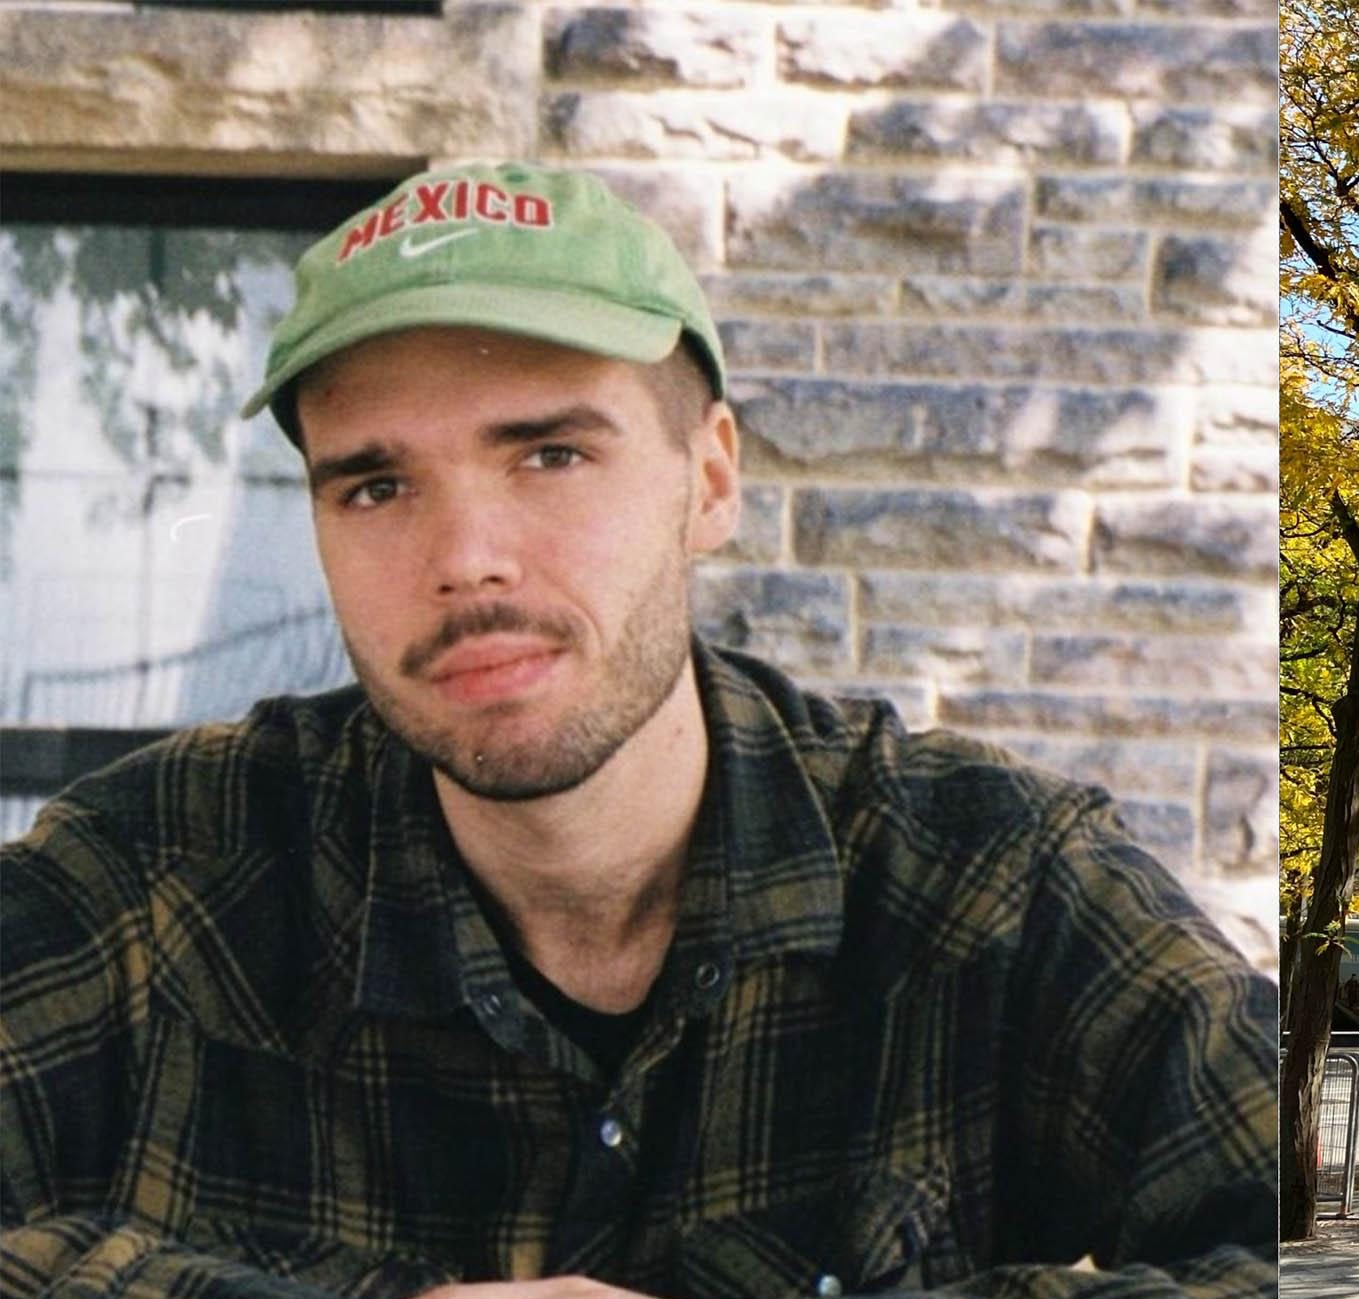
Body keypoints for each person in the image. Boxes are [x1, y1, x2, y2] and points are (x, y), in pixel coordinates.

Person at [0, 162, 1277, 1297]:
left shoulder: (987, 879)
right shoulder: (151, 877)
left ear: (708, 480)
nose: (466, 558)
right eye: (378, 485)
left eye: (549, 455)